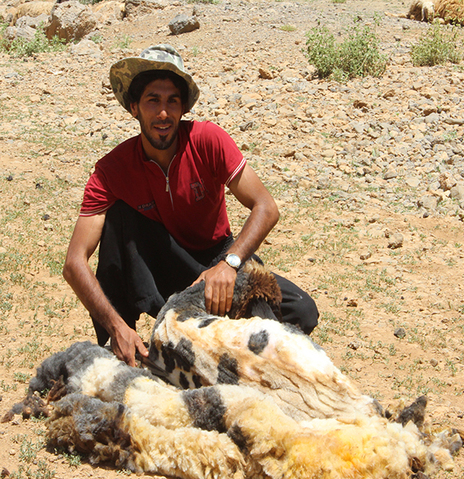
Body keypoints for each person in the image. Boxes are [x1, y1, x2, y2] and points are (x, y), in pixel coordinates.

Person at [63, 44, 318, 367]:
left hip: (217, 257)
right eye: (152, 100)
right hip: (160, 266)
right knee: (118, 218)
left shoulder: (207, 140)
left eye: (173, 101)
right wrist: (117, 326)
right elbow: (74, 263)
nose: (163, 113)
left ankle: (208, 344)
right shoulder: (112, 169)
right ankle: (121, 345)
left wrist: (230, 263)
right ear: (133, 108)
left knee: (302, 311)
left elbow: (266, 206)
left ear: (183, 108)